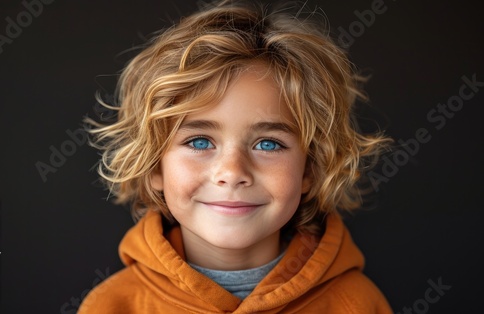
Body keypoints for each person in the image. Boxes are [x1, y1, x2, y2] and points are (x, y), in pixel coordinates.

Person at [79, 1, 393, 312]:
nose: (232, 171)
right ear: (154, 166)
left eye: (268, 144)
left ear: (310, 168)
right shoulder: (112, 305)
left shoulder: (358, 305)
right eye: (200, 141)